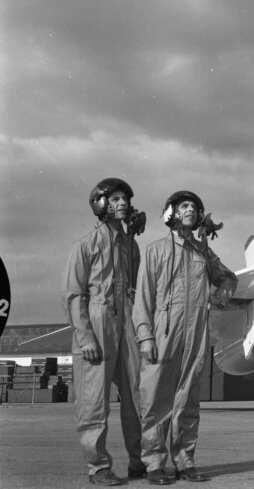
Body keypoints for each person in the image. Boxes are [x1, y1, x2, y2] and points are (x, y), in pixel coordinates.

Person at [133, 191, 237, 485]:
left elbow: (228, 278)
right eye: (184, 206)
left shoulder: (203, 252)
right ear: (172, 214)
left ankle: (185, 461)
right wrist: (145, 337)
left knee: (188, 400)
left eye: (194, 206)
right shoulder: (155, 250)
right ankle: (154, 464)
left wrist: (220, 296)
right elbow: (143, 298)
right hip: (165, 332)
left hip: (197, 333)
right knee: (156, 399)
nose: (190, 209)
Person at [62, 177, 147, 486]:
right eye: (115, 199)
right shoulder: (85, 245)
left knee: (139, 396)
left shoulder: (132, 246)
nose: (122, 203)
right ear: (100, 204)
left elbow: (137, 289)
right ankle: (99, 468)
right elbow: (73, 295)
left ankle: (141, 460)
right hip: (97, 325)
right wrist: (85, 337)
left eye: (125, 198)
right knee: (94, 401)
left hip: (128, 324)